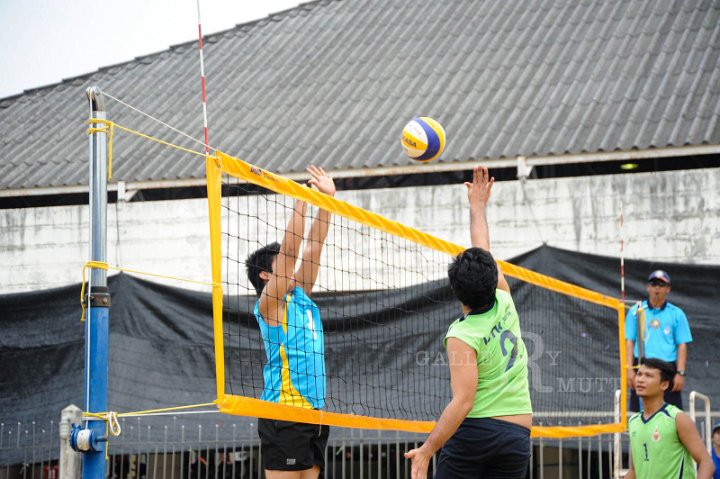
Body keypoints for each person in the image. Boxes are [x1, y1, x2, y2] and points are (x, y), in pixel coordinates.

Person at [404, 166, 532, 479]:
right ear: (492, 278)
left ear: (455, 291)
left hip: (477, 433)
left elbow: (463, 401)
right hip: (518, 434)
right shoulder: (503, 297)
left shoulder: (462, 334)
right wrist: (477, 206)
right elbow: (483, 246)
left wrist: (427, 450)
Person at [245, 165, 335, 479]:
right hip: (284, 412)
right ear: (265, 276)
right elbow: (292, 251)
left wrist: (327, 200)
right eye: (281, 264)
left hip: (315, 413)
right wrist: (301, 199)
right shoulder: (269, 305)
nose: (291, 267)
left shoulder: (301, 296)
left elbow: (313, 247)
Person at [626, 358, 714, 479]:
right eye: (639, 374)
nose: (640, 379)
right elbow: (634, 470)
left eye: (648, 375)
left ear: (664, 384)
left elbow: (706, 462)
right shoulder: (633, 421)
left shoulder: (677, 418)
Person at [626, 270, 692, 411]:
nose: (657, 288)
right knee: (640, 412)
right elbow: (629, 341)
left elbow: (682, 345)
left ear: (668, 289)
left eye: (661, 284)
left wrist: (680, 373)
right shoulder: (636, 311)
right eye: (654, 283)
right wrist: (629, 369)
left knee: (670, 413)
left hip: (666, 367)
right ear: (647, 287)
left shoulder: (677, 313)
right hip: (642, 365)